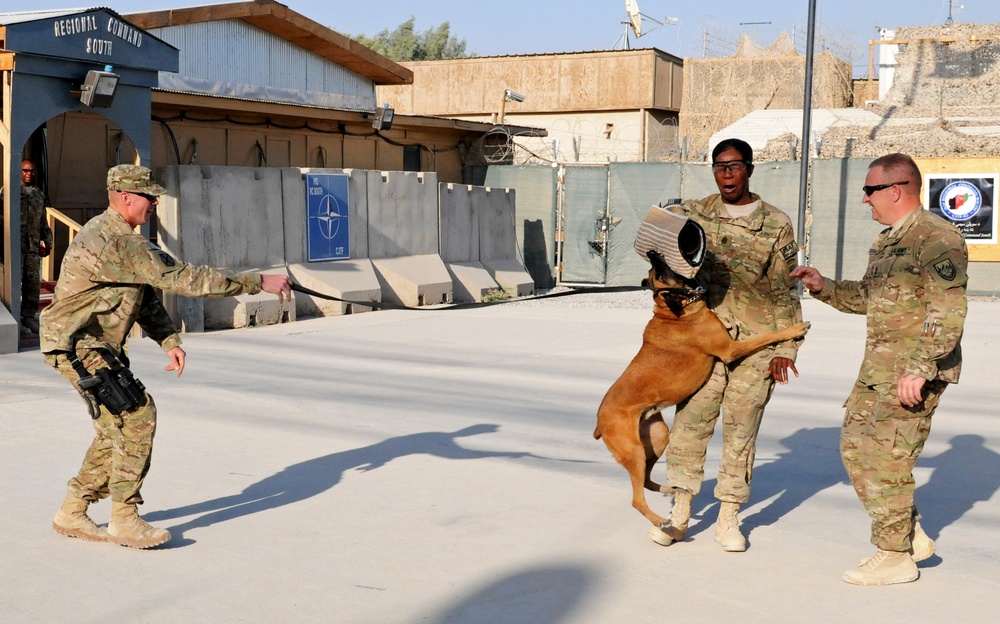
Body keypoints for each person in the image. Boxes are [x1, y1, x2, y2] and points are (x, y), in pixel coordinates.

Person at [40, 164, 292, 550]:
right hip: (78, 344)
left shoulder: (115, 236)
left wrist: (167, 339)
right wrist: (257, 281)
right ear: (125, 197)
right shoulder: (119, 242)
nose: (154, 202)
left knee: (116, 426)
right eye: (148, 196)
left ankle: (73, 510)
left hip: (88, 344)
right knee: (138, 416)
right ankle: (124, 518)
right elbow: (185, 278)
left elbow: (141, 293)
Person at [791, 153, 968, 586]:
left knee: (888, 458)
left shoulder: (936, 237)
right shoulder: (888, 242)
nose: (865, 200)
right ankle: (907, 533)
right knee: (855, 447)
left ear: (895, 190)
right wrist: (823, 286)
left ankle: (894, 556)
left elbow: (947, 310)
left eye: (869, 191)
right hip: (879, 368)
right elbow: (868, 298)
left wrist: (921, 369)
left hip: (912, 370)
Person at [649, 138, 803, 552]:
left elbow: (786, 290)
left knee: (741, 432)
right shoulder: (695, 213)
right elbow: (660, 256)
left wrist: (787, 348)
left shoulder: (776, 223)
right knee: (690, 424)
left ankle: (728, 517)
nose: (727, 174)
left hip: (756, 345)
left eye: (735, 166)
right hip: (704, 341)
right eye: (720, 167)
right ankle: (680, 512)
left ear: (750, 169)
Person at [0, 159, 53, 334]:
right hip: (14, 248)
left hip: (32, 247)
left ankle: (29, 317)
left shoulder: (37, 194)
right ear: (19, 171)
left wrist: (47, 242)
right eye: (25, 170)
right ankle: (14, 318)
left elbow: (42, 221)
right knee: (13, 283)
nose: (29, 174)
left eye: (32, 171)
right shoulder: (8, 193)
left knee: (32, 284)